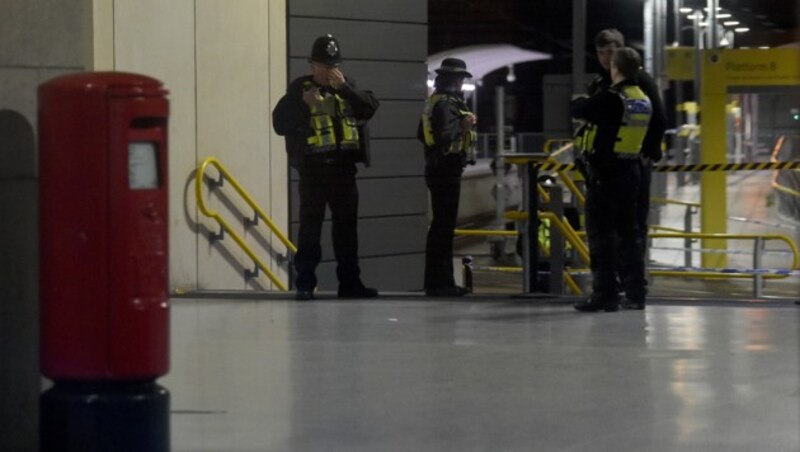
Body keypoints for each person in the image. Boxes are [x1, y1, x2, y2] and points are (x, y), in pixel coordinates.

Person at [272, 34, 379, 301]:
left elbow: (369, 108)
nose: (330, 70)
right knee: (310, 230)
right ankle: (305, 284)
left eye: (334, 65)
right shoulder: (299, 90)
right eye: (325, 65)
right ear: (313, 66)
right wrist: (304, 107)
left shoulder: (347, 87)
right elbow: (279, 124)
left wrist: (346, 89)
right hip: (313, 172)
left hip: (343, 171)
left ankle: (350, 284)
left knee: (346, 231)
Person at [587, 28, 667, 310]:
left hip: (629, 167)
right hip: (606, 168)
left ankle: (627, 289)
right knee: (615, 231)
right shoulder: (602, 83)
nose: (608, 58)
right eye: (602, 52)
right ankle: (619, 289)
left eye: (613, 51)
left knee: (628, 229)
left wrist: (648, 153)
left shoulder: (638, 80)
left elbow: (659, 116)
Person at [571, 47, 653, 312]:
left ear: (614, 68)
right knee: (630, 236)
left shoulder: (611, 98)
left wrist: (581, 97)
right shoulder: (641, 98)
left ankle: (605, 294)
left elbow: (579, 109)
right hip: (630, 172)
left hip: (605, 175)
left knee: (601, 237)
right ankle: (635, 293)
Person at [418, 58, 477, 297]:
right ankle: (441, 284)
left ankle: (438, 281)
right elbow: (445, 135)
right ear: (452, 80)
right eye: (460, 79)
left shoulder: (435, 101)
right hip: (445, 168)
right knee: (444, 227)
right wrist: (463, 125)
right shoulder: (446, 105)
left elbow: (420, 133)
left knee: (440, 227)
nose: (462, 83)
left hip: (437, 167)